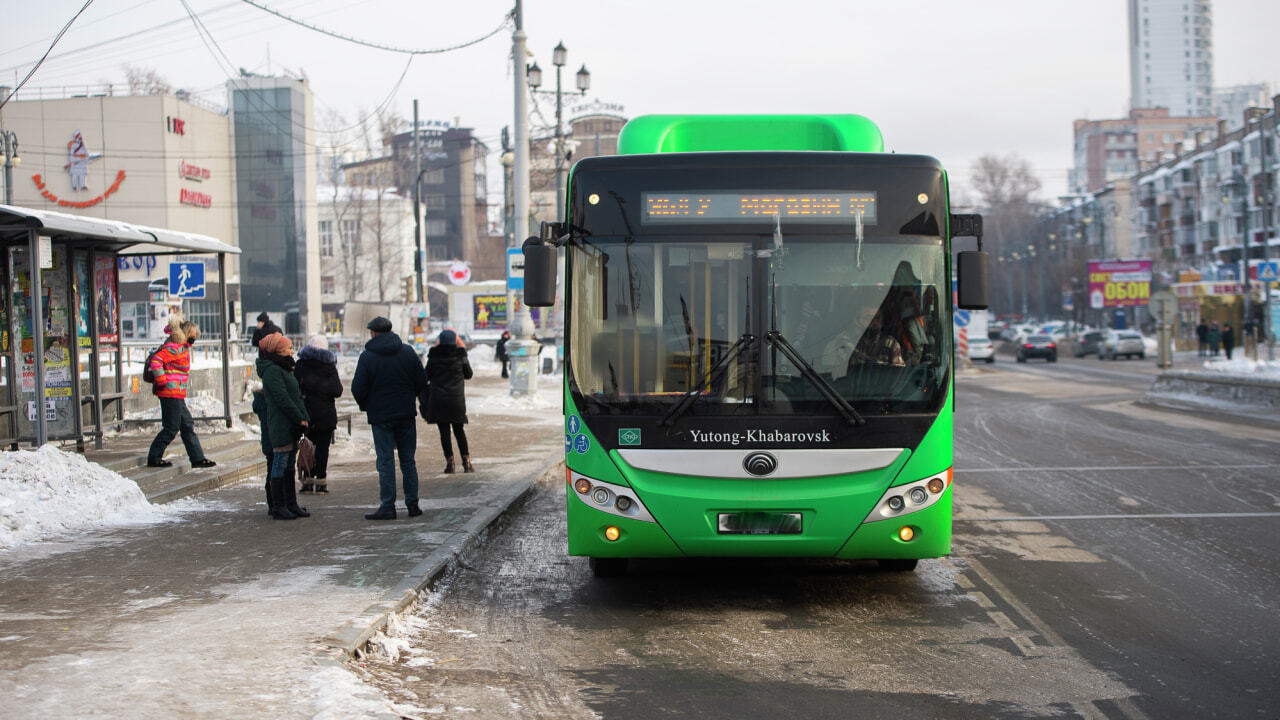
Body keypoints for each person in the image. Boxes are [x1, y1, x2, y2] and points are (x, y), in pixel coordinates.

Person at [351, 316, 426, 520]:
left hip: (381, 416)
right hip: (405, 413)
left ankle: (388, 506)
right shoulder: (408, 352)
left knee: (385, 461)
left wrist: (367, 405)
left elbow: (357, 388)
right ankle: (413, 504)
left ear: (373, 333)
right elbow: (421, 380)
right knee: (408, 461)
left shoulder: (367, 357)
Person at [147, 318, 216, 469]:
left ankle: (197, 458)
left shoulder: (181, 347)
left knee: (187, 425)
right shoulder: (174, 348)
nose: (194, 339)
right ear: (185, 334)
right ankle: (154, 457)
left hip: (176, 393)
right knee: (171, 427)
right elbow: (156, 361)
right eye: (193, 335)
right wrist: (162, 381)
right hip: (169, 392)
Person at [256, 333, 311, 520]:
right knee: (279, 462)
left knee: (288, 464)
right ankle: (279, 506)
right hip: (281, 422)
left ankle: (290, 504)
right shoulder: (273, 371)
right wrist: (299, 417)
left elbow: (293, 396)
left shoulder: (283, 368)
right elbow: (282, 398)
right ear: (278, 350)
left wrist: (303, 417)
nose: (291, 351)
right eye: (288, 348)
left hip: (290, 422)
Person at [295, 334, 342, 493]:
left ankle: (307, 481)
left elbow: (295, 388)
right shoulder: (329, 367)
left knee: (306, 448)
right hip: (325, 415)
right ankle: (321, 482)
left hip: (306, 414)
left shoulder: (301, 365)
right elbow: (337, 391)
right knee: (323, 449)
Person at [423, 328, 475, 474]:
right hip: (456, 400)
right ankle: (467, 463)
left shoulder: (433, 357)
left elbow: (425, 376)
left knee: (444, 432)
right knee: (459, 431)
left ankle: (450, 464)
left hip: (439, 400)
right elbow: (469, 374)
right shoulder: (460, 356)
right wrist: (463, 351)